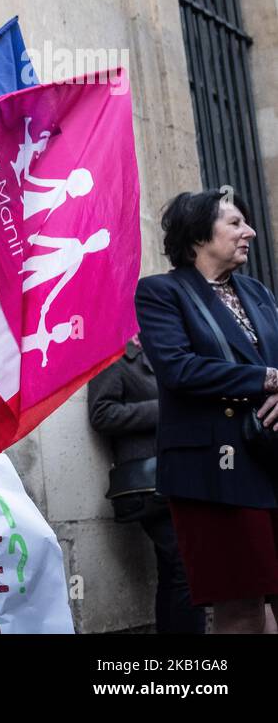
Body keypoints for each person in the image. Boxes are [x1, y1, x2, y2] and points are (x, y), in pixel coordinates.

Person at [136, 189, 278, 633]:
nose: (249, 232)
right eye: (235, 223)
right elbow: (179, 369)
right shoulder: (161, 292)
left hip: (272, 459)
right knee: (240, 602)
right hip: (214, 469)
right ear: (199, 235)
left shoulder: (257, 292)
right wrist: (267, 380)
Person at [87, 333, 206, 633]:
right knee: (186, 567)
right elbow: (102, 413)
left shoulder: (167, 353)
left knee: (174, 568)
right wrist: (163, 410)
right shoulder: (113, 355)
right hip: (149, 484)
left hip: (182, 476)